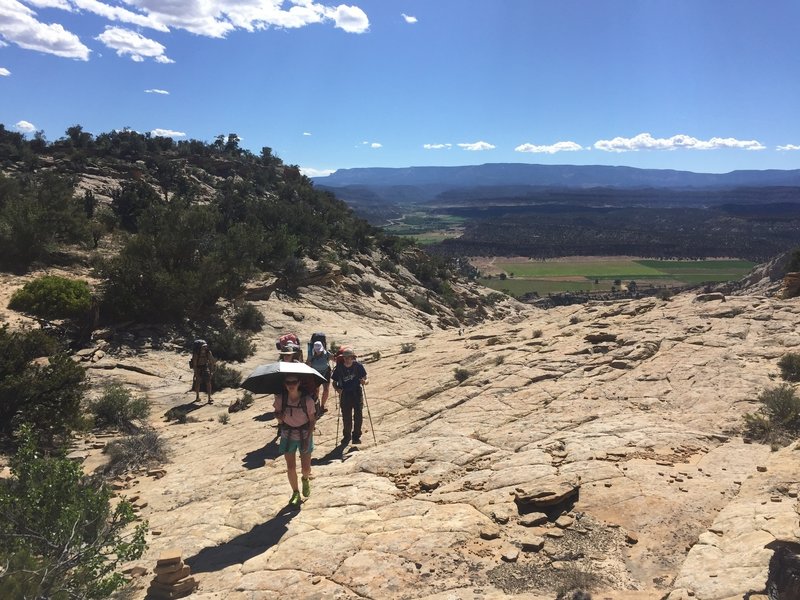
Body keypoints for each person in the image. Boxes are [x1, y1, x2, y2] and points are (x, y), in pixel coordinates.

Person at [274, 375, 316, 506]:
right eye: (288, 382)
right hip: (288, 434)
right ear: (284, 384)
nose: (291, 385)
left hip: (304, 434)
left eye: (294, 382)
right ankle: (295, 492)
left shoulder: (307, 400)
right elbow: (277, 415)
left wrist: (309, 435)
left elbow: (312, 419)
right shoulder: (281, 399)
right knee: (290, 467)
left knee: (306, 468)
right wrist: (279, 417)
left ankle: (305, 478)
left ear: (299, 383)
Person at [331, 348, 368, 445]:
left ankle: (356, 437)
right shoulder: (339, 368)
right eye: (345, 357)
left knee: (358, 416)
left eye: (349, 357)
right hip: (345, 394)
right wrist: (338, 389)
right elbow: (334, 382)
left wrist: (364, 382)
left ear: (353, 357)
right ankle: (347, 436)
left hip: (356, 393)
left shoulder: (358, 366)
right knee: (346, 416)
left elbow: (365, 379)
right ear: (343, 358)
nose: (347, 359)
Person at [306, 340, 332, 412]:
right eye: (317, 350)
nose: (318, 352)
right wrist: (308, 363)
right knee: (316, 390)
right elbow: (307, 363)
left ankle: (322, 406)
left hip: (326, 372)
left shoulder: (326, 353)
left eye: (319, 350)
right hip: (315, 373)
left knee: (326, 390)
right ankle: (316, 405)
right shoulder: (311, 354)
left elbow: (333, 358)